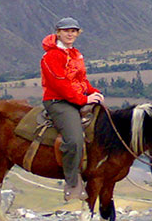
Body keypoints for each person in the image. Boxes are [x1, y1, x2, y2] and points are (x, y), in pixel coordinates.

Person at [40, 17, 104, 201]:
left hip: (76, 98)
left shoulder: (75, 53)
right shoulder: (51, 56)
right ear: (58, 32)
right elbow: (60, 85)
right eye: (66, 30)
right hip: (58, 101)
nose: (70, 33)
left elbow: (81, 79)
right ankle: (72, 181)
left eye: (74, 31)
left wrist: (94, 92)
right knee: (74, 139)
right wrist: (83, 99)